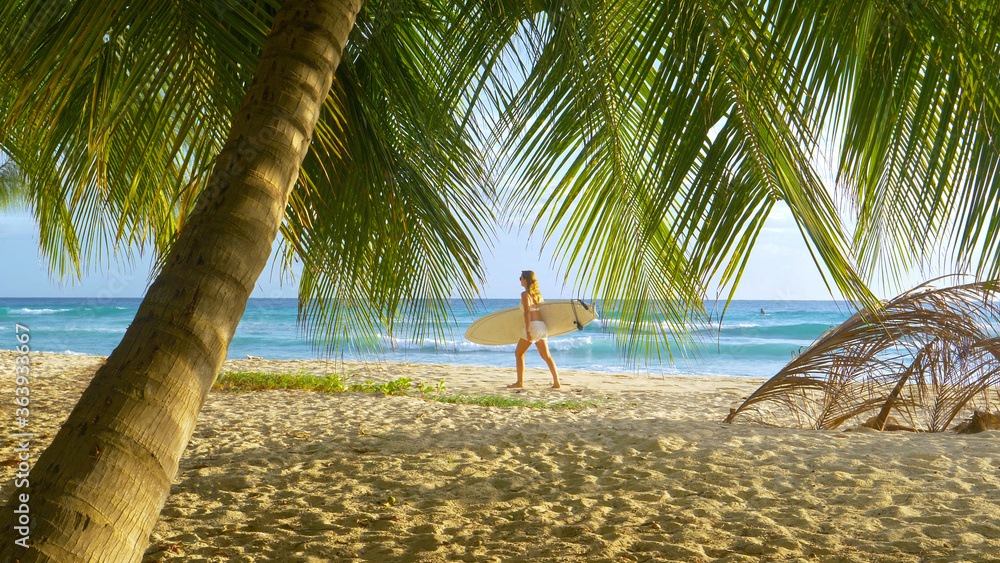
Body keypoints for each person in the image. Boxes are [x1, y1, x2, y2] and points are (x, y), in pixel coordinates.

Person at [509, 270, 561, 389]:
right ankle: (556, 382)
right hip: (542, 326)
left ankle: (520, 382)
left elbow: (527, 313)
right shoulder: (538, 295)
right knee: (546, 356)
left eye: (521, 278)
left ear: (526, 280)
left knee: (519, 353)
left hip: (532, 327)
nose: (520, 280)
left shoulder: (525, 294)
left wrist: (528, 331)